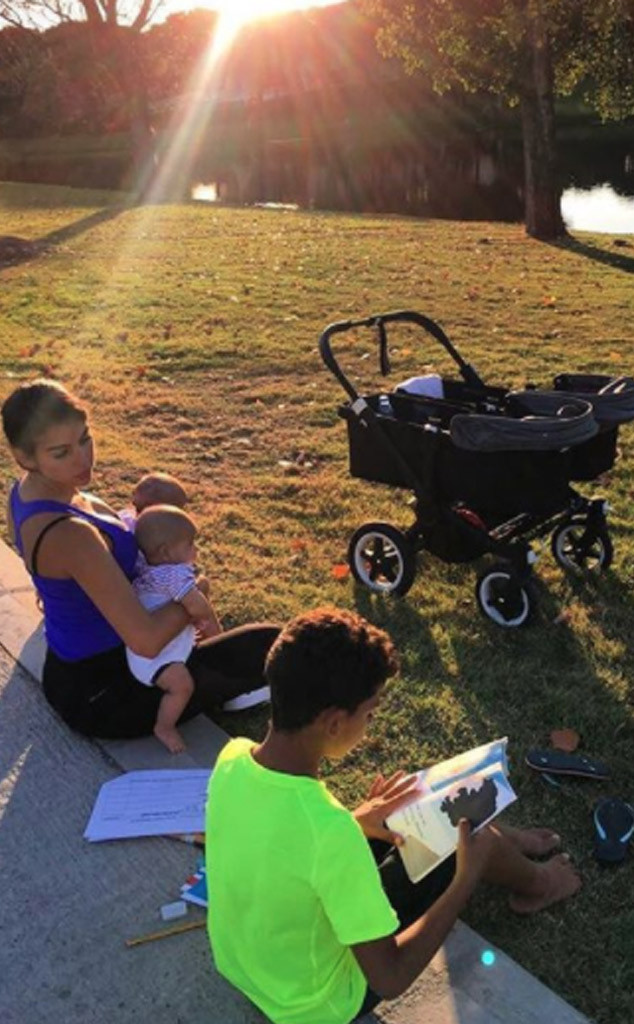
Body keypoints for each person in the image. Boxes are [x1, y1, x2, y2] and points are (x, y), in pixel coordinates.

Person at [205, 607, 581, 1024]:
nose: (371, 722)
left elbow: (282, 842)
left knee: (425, 821)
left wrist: (357, 820)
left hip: (247, 967)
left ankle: (505, 840)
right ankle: (540, 882)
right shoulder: (330, 834)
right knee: (468, 840)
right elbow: (390, 977)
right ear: (334, 723)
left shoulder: (232, 758)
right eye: (369, 713)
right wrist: (464, 880)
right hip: (316, 1005)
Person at [2, 379, 278, 740]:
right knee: (271, 643)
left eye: (85, 439)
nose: (83, 458)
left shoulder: (26, 493)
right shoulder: (69, 533)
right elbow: (146, 641)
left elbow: (57, 580)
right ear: (24, 458)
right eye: (61, 452)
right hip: (106, 694)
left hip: (74, 669)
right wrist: (194, 592)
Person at [127, 505, 222, 754]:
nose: (196, 550)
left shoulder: (147, 569)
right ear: (166, 551)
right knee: (182, 686)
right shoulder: (173, 574)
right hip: (156, 657)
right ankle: (164, 726)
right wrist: (204, 617)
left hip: (149, 646)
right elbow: (196, 601)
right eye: (190, 544)